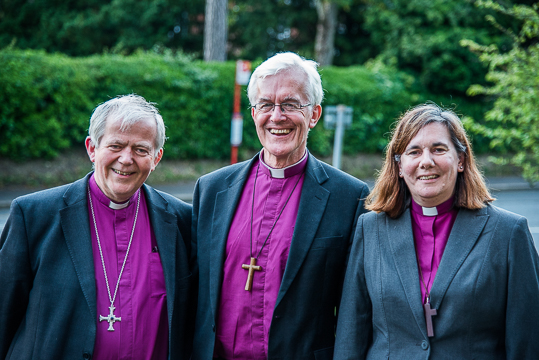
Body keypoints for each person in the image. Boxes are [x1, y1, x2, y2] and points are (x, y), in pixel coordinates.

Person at [191, 52, 370, 359]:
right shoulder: (211, 190)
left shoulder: (349, 197)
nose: (276, 116)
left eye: (290, 105)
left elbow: (356, 308)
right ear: (253, 112)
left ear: (314, 114)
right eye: (265, 105)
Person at [334, 103, 539, 359]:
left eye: (439, 149)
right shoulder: (370, 229)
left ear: (461, 160)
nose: (426, 162)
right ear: (399, 166)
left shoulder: (508, 233)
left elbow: (527, 342)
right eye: (414, 152)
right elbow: (351, 334)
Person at [0, 94, 195, 359]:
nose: (126, 159)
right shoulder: (34, 215)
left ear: (156, 157)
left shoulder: (181, 221)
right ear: (92, 148)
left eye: (140, 149)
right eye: (115, 146)